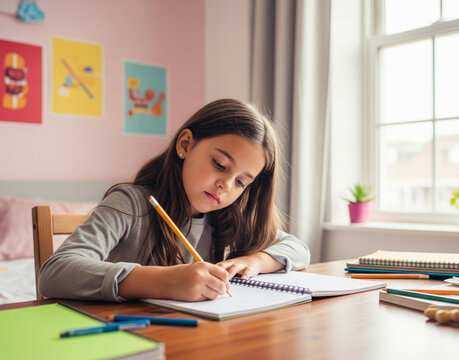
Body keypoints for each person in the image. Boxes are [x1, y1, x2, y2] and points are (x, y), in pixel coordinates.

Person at [39, 98, 310, 302]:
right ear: (185, 144)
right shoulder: (131, 204)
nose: (226, 186)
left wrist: (257, 261)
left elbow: (297, 249)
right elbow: (55, 272)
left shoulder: (228, 216)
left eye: (241, 182)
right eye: (219, 164)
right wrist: (163, 281)